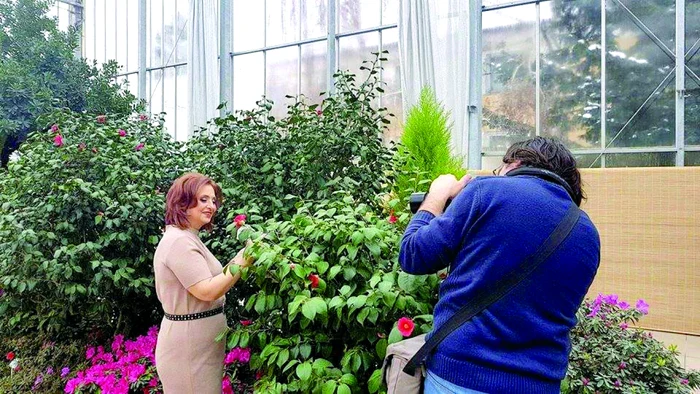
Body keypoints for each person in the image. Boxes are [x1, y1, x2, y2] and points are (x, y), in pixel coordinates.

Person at [399, 137, 600, 394]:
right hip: (540, 384)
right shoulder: (587, 234)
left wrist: (436, 197)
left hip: (461, 378)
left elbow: (413, 255)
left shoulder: (487, 191)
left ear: (514, 163)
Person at [154, 172, 253, 394]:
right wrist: (243, 258)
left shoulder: (188, 237)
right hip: (189, 348)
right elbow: (206, 290)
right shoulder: (179, 241)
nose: (211, 206)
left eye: (213, 200)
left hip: (197, 343)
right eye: (203, 200)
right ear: (183, 202)